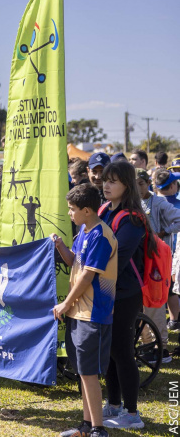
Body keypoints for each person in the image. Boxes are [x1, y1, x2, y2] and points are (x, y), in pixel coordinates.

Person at [52, 183, 117, 437]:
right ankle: (87, 425)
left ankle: (98, 428)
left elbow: (88, 276)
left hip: (93, 313)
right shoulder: (84, 230)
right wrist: (60, 246)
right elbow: (75, 263)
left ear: (87, 210)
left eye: (72, 209)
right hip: (78, 313)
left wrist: (66, 302)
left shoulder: (101, 236)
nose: (70, 213)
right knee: (82, 370)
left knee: (89, 373)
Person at [97, 161, 150, 430]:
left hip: (125, 293)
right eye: (105, 180)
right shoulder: (105, 210)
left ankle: (132, 413)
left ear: (126, 186)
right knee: (108, 352)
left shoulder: (132, 218)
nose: (106, 185)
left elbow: (117, 261)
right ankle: (113, 405)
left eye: (113, 181)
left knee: (122, 351)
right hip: (105, 290)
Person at [138, 169, 180, 345]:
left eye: (140, 183)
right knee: (138, 303)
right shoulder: (129, 203)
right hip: (137, 259)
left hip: (157, 259)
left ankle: (160, 345)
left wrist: (163, 232)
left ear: (149, 183)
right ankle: (146, 341)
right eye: (132, 184)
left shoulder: (158, 203)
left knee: (155, 301)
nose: (136, 187)